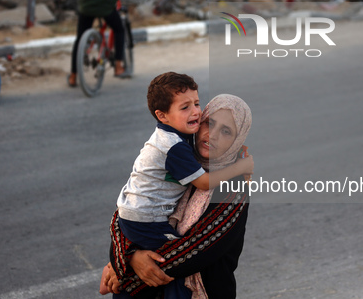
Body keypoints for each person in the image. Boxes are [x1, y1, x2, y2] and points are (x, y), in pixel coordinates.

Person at [106, 75, 253, 298]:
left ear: (237, 138)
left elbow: (195, 251)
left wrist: (125, 265)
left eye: (226, 132)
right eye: (209, 123)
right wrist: (126, 257)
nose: (211, 135)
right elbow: (127, 212)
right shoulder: (180, 158)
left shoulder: (232, 188)